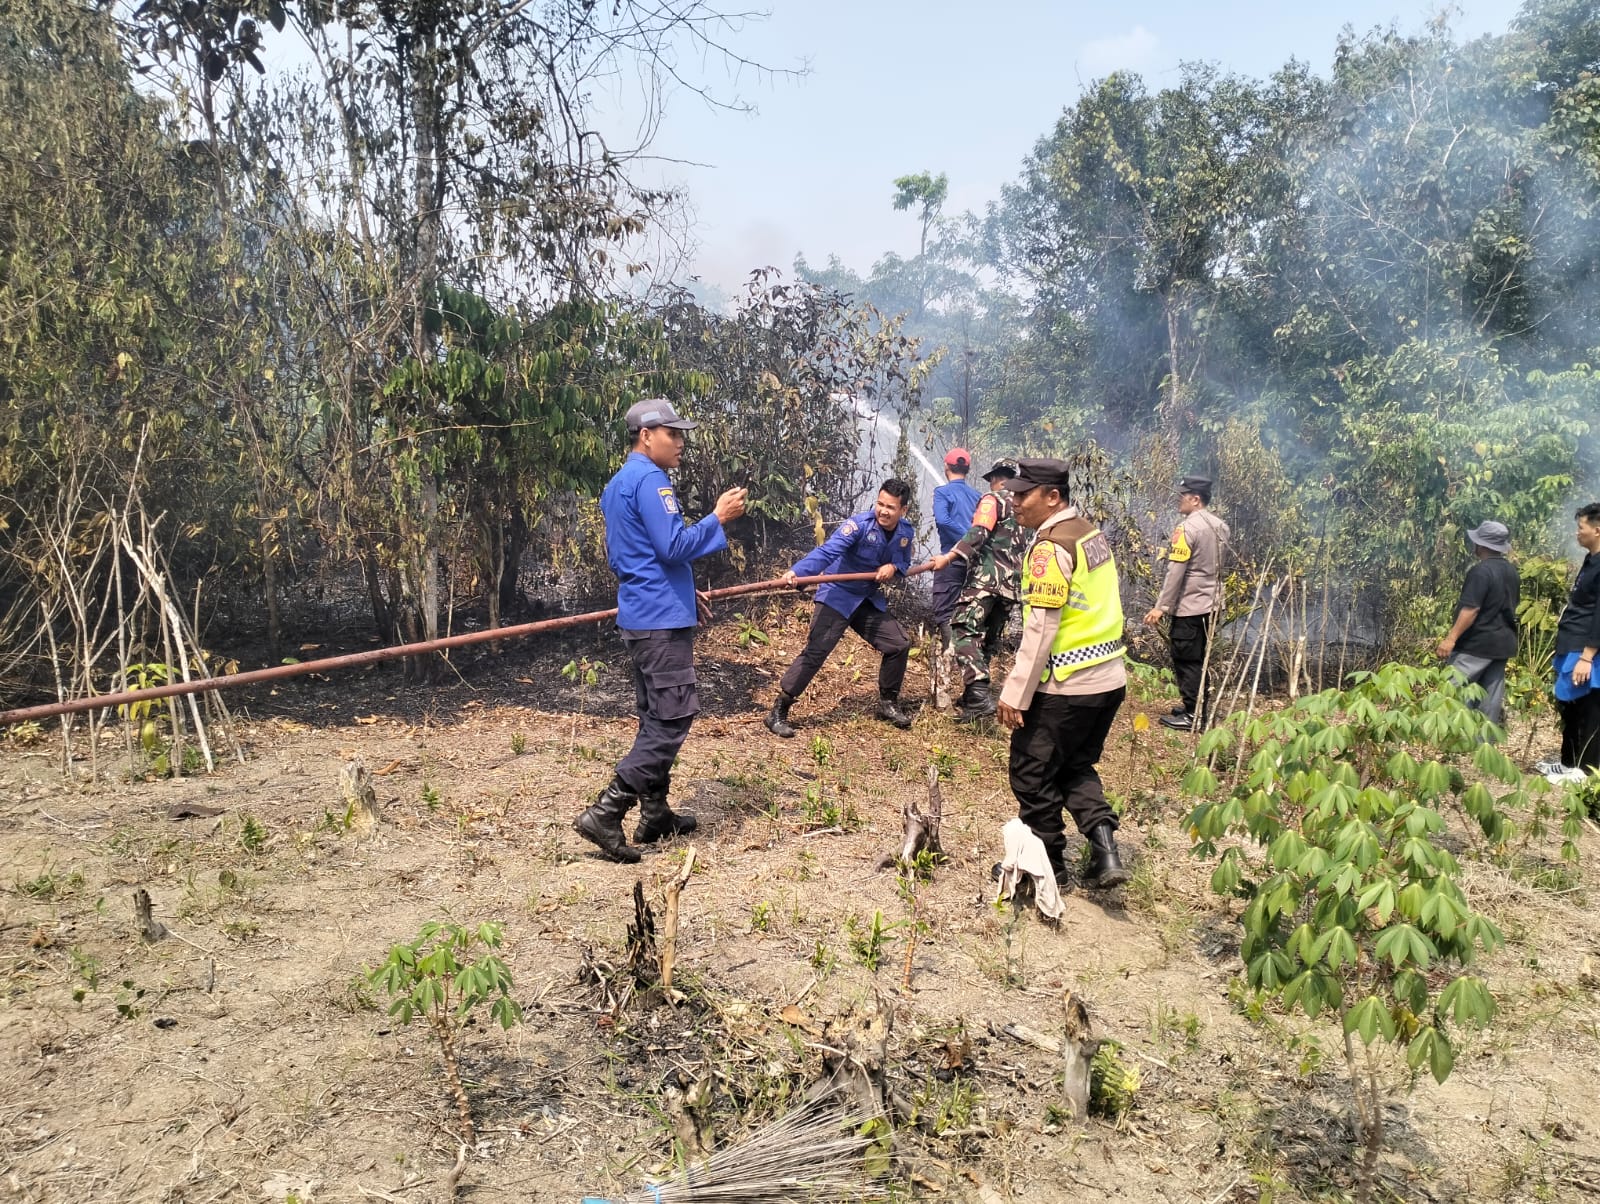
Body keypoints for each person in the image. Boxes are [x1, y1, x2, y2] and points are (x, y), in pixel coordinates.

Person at [573, 398, 747, 864]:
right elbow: (673, 546)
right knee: (672, 716)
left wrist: (682, 593)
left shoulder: (617, 484)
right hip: (659, 623)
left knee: (655, 714)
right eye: (673, 433)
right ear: (646, 436)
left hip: (641, 615)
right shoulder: (652, 480)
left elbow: (626, 557)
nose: (681, 442)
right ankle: (606, 813)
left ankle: (656, 812)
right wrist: (718, 518)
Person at [996, 458, 1131, 889]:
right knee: (1073, 765)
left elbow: (1041, 629)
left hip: (1067, 686)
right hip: (1108, 678)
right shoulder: (1089, 533)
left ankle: (1048, 868)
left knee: (1031, 774)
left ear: (1053, 497)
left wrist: (1016, 693)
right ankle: (1106, 852)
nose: (1014, 502)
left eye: (1023, 495)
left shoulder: (1050, 548)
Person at [765, 479, 918, 738]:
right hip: (837, 595)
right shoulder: (858, 525)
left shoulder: (906, 532)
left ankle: (888, 704)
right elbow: (826, 552)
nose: (882, 511)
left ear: (903, 510)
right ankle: (778, 710)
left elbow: (904, 561)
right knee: (816, 651)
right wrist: (797, 572)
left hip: (866, 599)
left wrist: (894, 567)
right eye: (880, 504)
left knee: (899, 644)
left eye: (890, 507)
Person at [933, 460, 1026, 722]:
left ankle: (977, 695)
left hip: (986, 579)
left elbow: (979, 531)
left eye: (991, 480)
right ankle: (973, 695)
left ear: (996, 478)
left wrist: (950, 557)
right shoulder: (1025, 507)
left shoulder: (992, 499)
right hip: (1012, 587)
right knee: (988, 637)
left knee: (963, 628)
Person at [1142, 475, 1230, 731]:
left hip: (1190, 604)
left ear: (1195, 499)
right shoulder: (1220, 526)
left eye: (1182, 496)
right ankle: (1199, 708)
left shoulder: (1187, 528)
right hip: (1213, 603)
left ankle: (1193, 716)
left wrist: (1162, 606)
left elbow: (1176, 571)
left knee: (1186, 658)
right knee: (1201, 658)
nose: (1178, 500)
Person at [1434, 520, 1520, 729]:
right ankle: (1483, 746)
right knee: (1489, 698)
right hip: (1502, 644)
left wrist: (1450, 639)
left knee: (1452, 691)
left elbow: (1471, 610)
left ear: (1481, 545)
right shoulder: (1511, 571)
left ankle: (1452, 738)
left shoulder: (1481, 572)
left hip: (1476, 644)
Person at [1542, 502, 1600, 781]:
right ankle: (1568, 763)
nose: (1577, 533)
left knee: (1588, 706)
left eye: (1581, 527)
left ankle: (1587, 770)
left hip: (1585, 648)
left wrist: (1587, 656)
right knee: (1570, 704)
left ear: (1597, 530)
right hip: (1571, 641)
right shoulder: (1591, 560)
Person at [931, 448, 983, 629]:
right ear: (967, 470)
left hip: (950, 562)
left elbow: (943, 520)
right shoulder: (978, 496)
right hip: (973, 564)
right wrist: (971, 543)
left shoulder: (942, 492)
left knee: (945, 614)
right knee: (965, 615)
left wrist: (964, 541)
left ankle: (949, 655)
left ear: (946, 466)